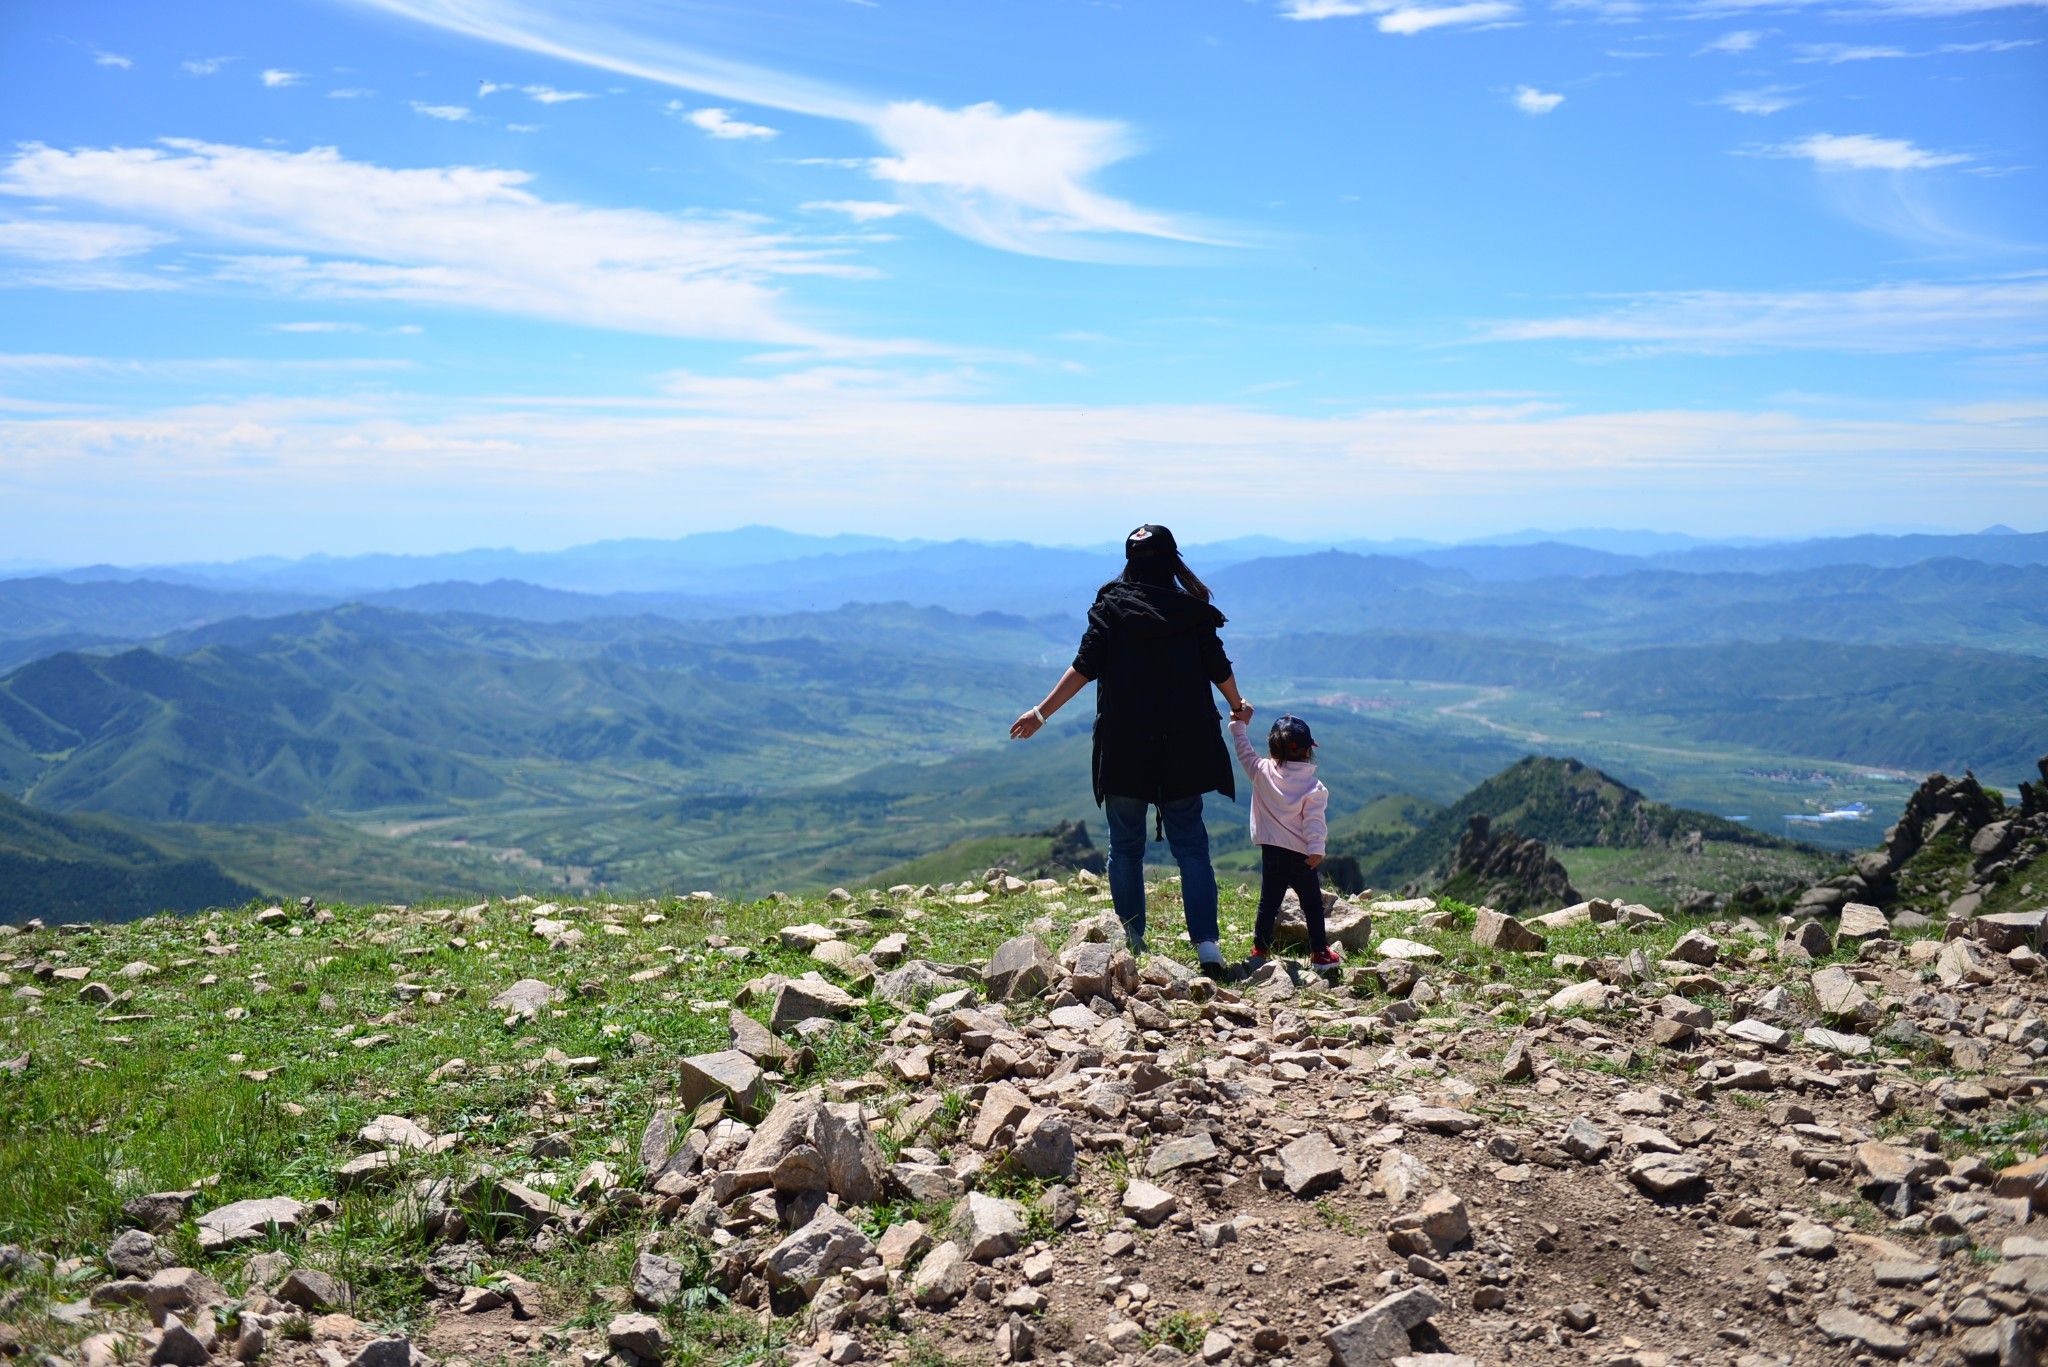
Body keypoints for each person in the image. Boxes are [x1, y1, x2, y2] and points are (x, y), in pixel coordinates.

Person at [1009, 524, 1247, 976]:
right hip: (1185, 746)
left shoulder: (1111, 608)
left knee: (1125, 846)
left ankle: (1133, 942)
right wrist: (1238, 705)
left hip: (1124, 746)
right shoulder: (1192, 612)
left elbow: (1083, 668)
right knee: (1192, 846)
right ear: (1173, 560)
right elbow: (1218, 667)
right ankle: (1208, 949)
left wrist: (1040, 714)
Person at [1229, 708, 1338, 968]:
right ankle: (1320, 953)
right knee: (1311, 904)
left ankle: (1259, 951)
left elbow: (1244, 751)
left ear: (1273, 749)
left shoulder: (1261, 771)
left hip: (1272, 852)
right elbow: (1313, 822)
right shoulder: (1314, 788)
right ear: (1308, 751)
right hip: (1302, 856)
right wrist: (1316, 849)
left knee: (1269, 903)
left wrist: (1238, 726)